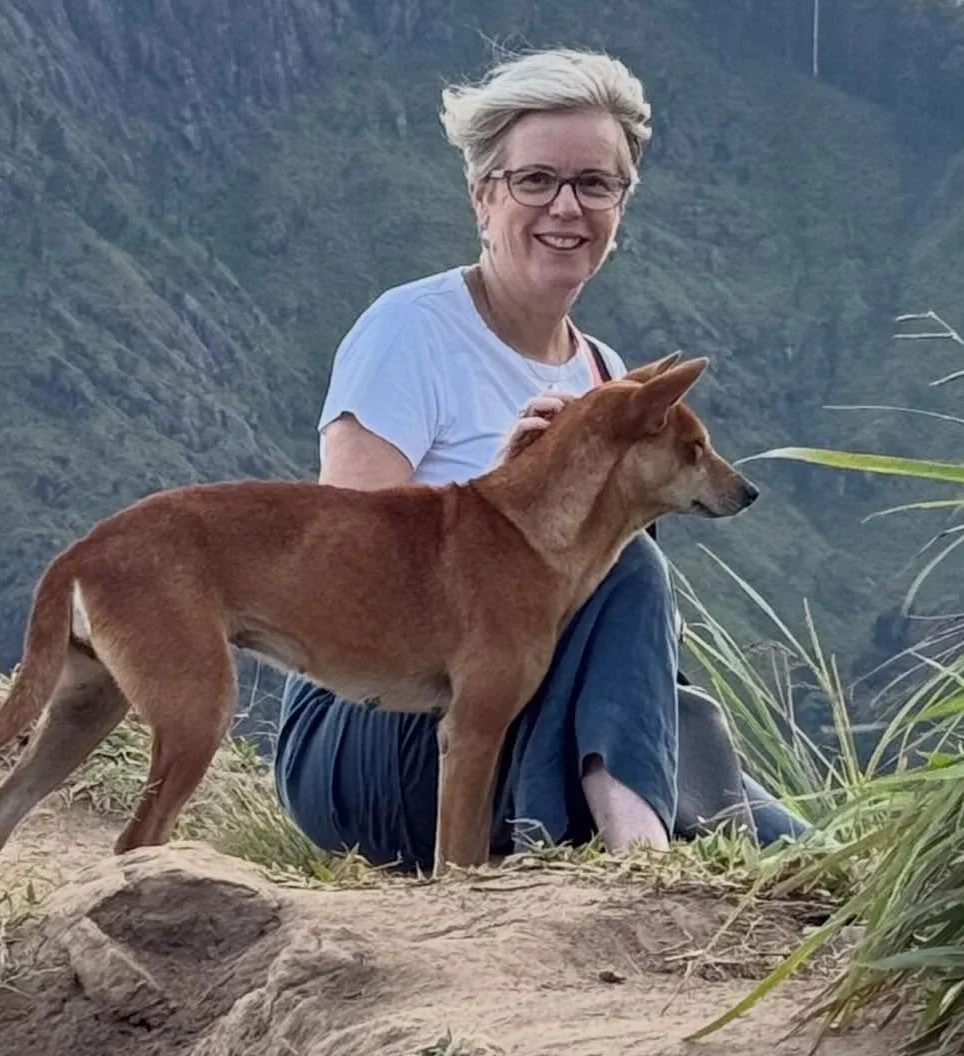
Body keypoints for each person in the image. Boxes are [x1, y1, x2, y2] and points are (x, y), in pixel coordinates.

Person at [273, 47, 805, 868]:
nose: (567, 206)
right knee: (622, 567)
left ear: (621, 207)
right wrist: (507, 496)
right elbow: (341, 568)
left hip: (535, 721)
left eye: (596, 184)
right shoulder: (409, 330)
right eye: (536, 181)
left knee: (802, 856)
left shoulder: (604, 372)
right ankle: (641, 861)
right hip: (378, 725)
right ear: (484, 197)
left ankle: (693, 837)